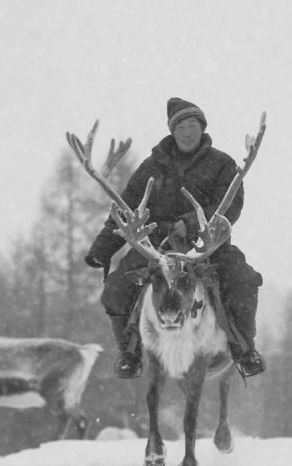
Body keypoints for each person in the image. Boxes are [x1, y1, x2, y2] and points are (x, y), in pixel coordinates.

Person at [84, 97, 266, 379]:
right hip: (156, 249)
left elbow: (230, 206)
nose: (187, 132)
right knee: (116, 290)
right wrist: (102, 249)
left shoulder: (222, 164)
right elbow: (125, 210)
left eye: (192, 125)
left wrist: (192, 224)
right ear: (172, 131)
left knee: (243, 280)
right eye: (180, 127)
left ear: (202, 127)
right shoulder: (152, 167)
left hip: (207, 248)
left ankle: (244, 350)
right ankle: (129, 354)